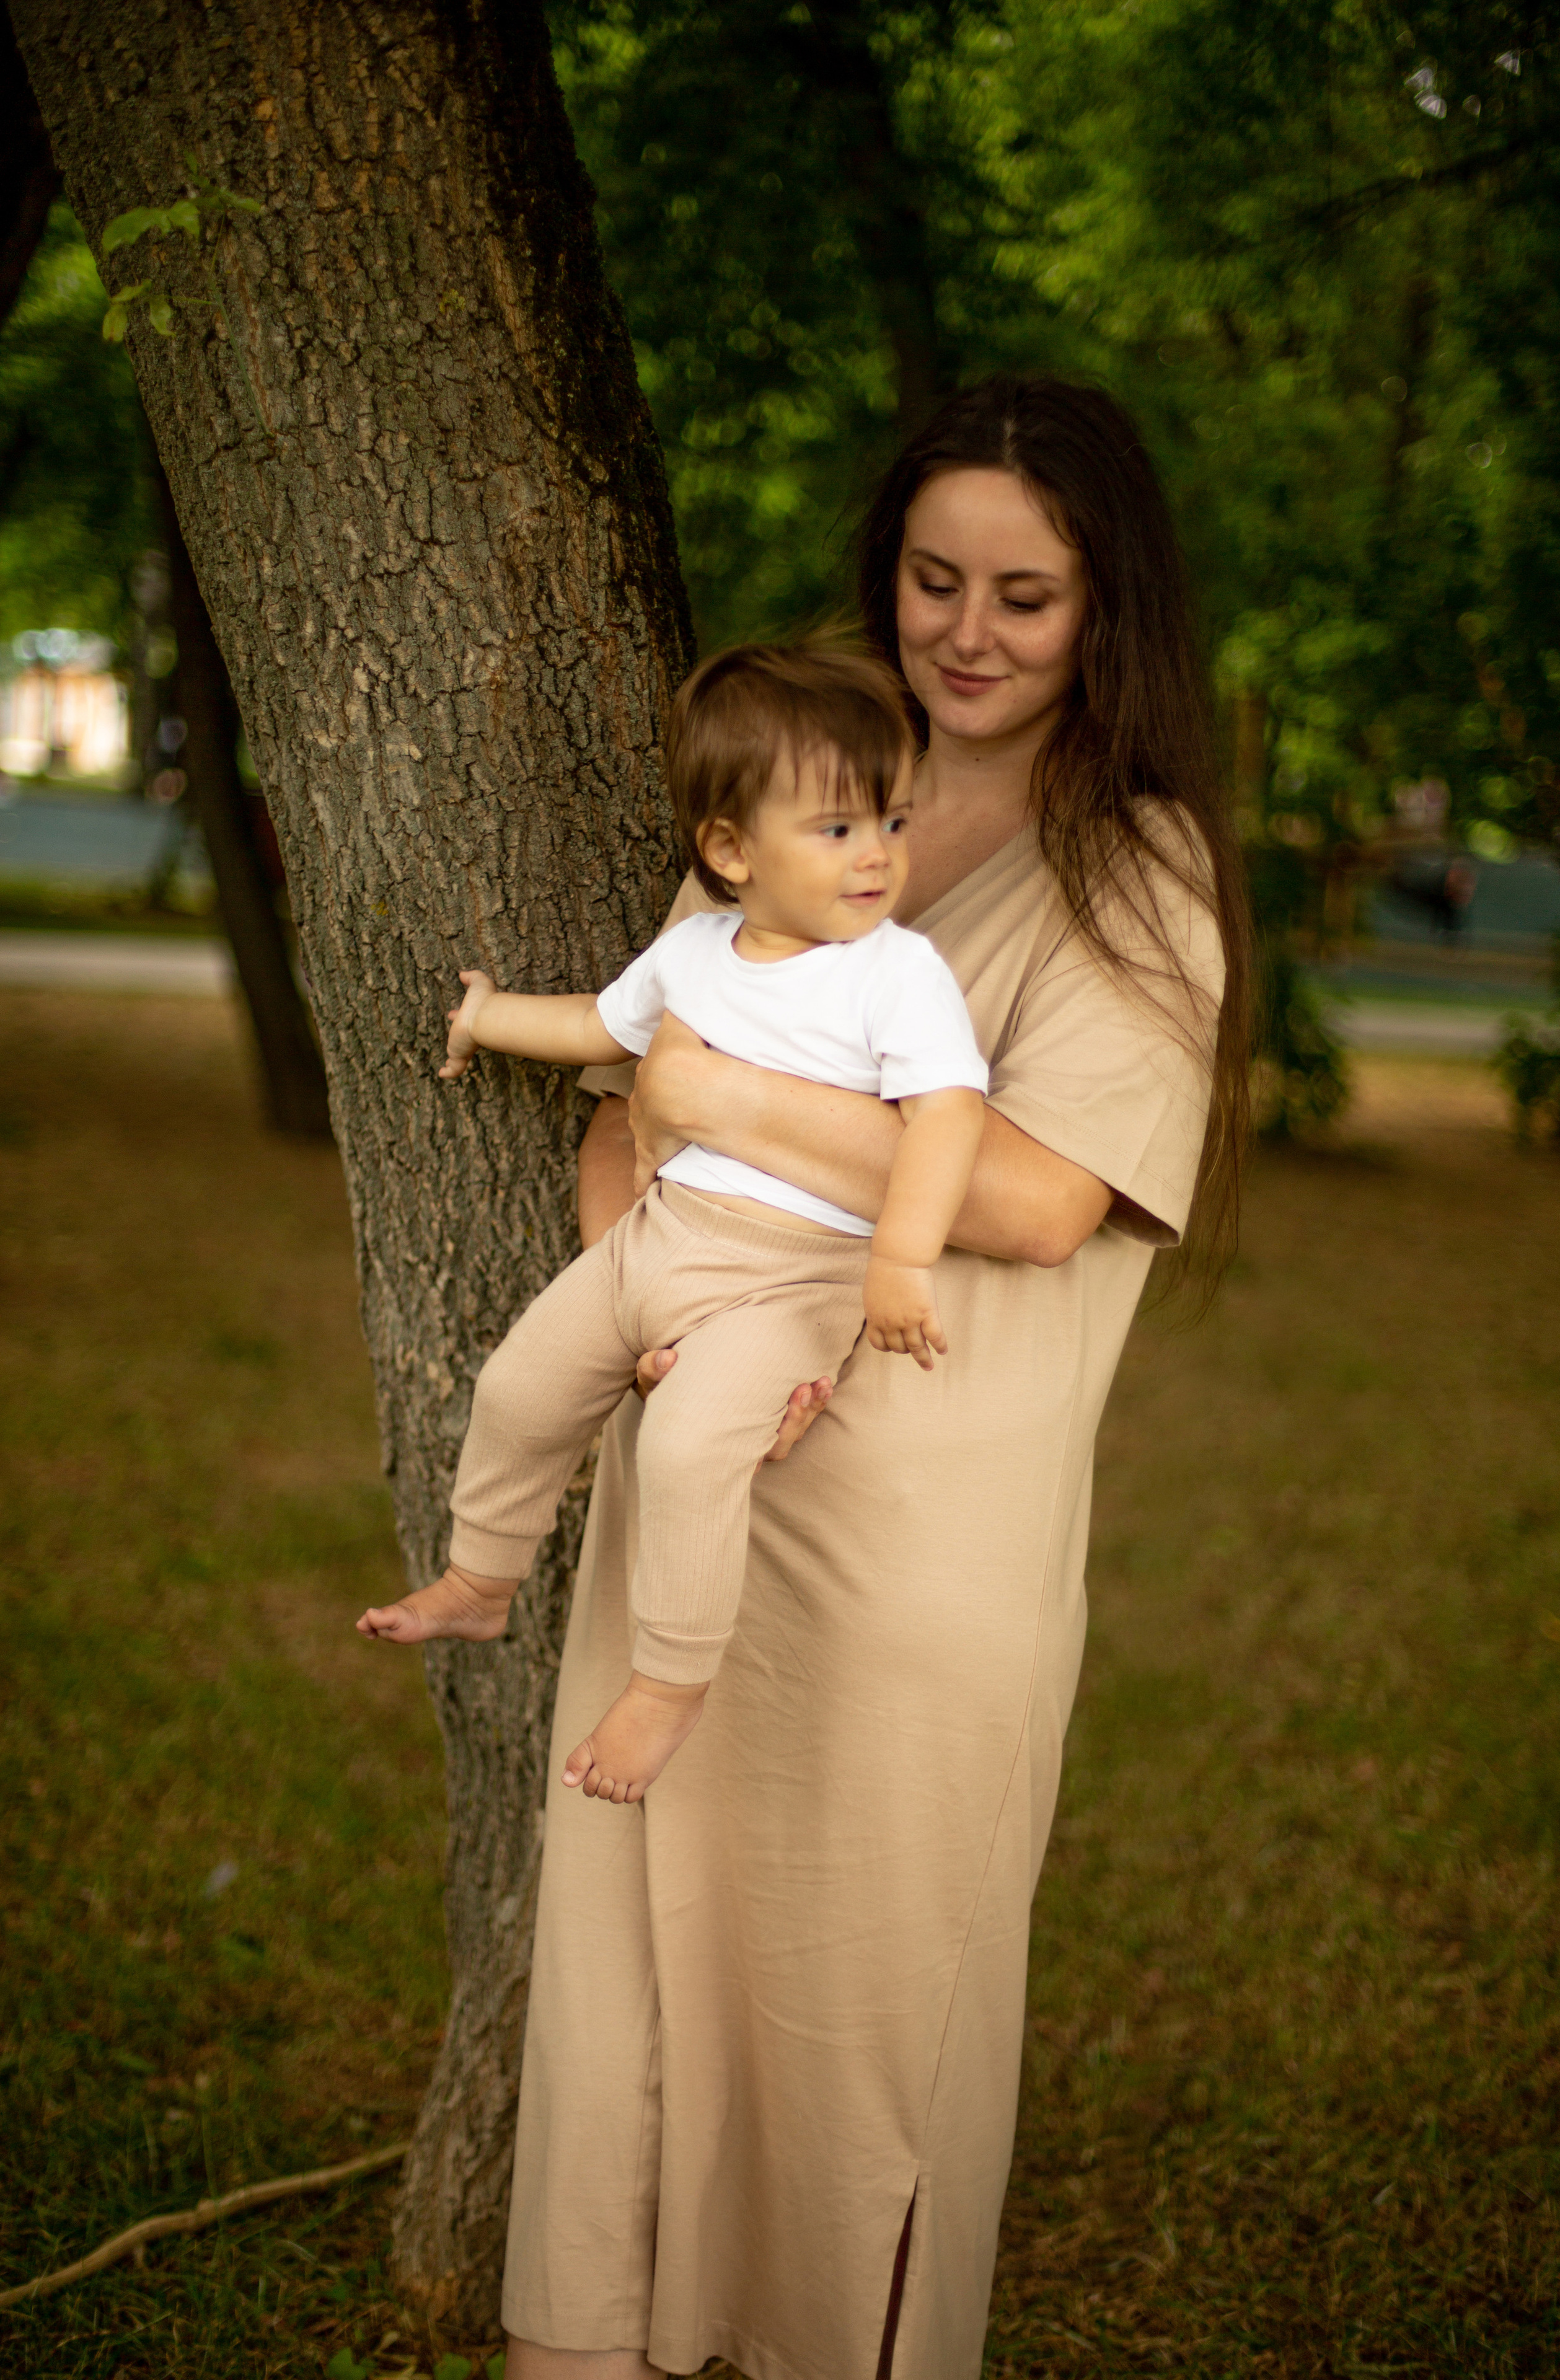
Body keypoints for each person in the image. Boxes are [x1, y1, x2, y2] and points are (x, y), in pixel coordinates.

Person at [505, 374, 1251, 2380]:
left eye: (1028, 592)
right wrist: (663, 1324)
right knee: (642, 1996)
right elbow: (619, 1126)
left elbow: (1029, 1201)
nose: (971, 633)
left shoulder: (1136, 869)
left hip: (927, 1552)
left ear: (1111, 609)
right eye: (935, 580)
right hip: (709, 1487)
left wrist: (718, 1088)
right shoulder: (823, 785)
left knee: (863, 2043)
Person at [356, 644, 986, 1803]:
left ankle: (669, 1685)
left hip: (792, 1280)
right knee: (520, 1386)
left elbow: (949, 1118)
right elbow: (604, 1028)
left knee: (689, 1448)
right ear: (731, 851)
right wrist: (489, 1020)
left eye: (892, 821)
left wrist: (901, 1257)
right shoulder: (696, 952)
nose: (878, 854)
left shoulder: (898, 975)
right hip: (660, 1238)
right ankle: (481, 1579)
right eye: (839, 828)